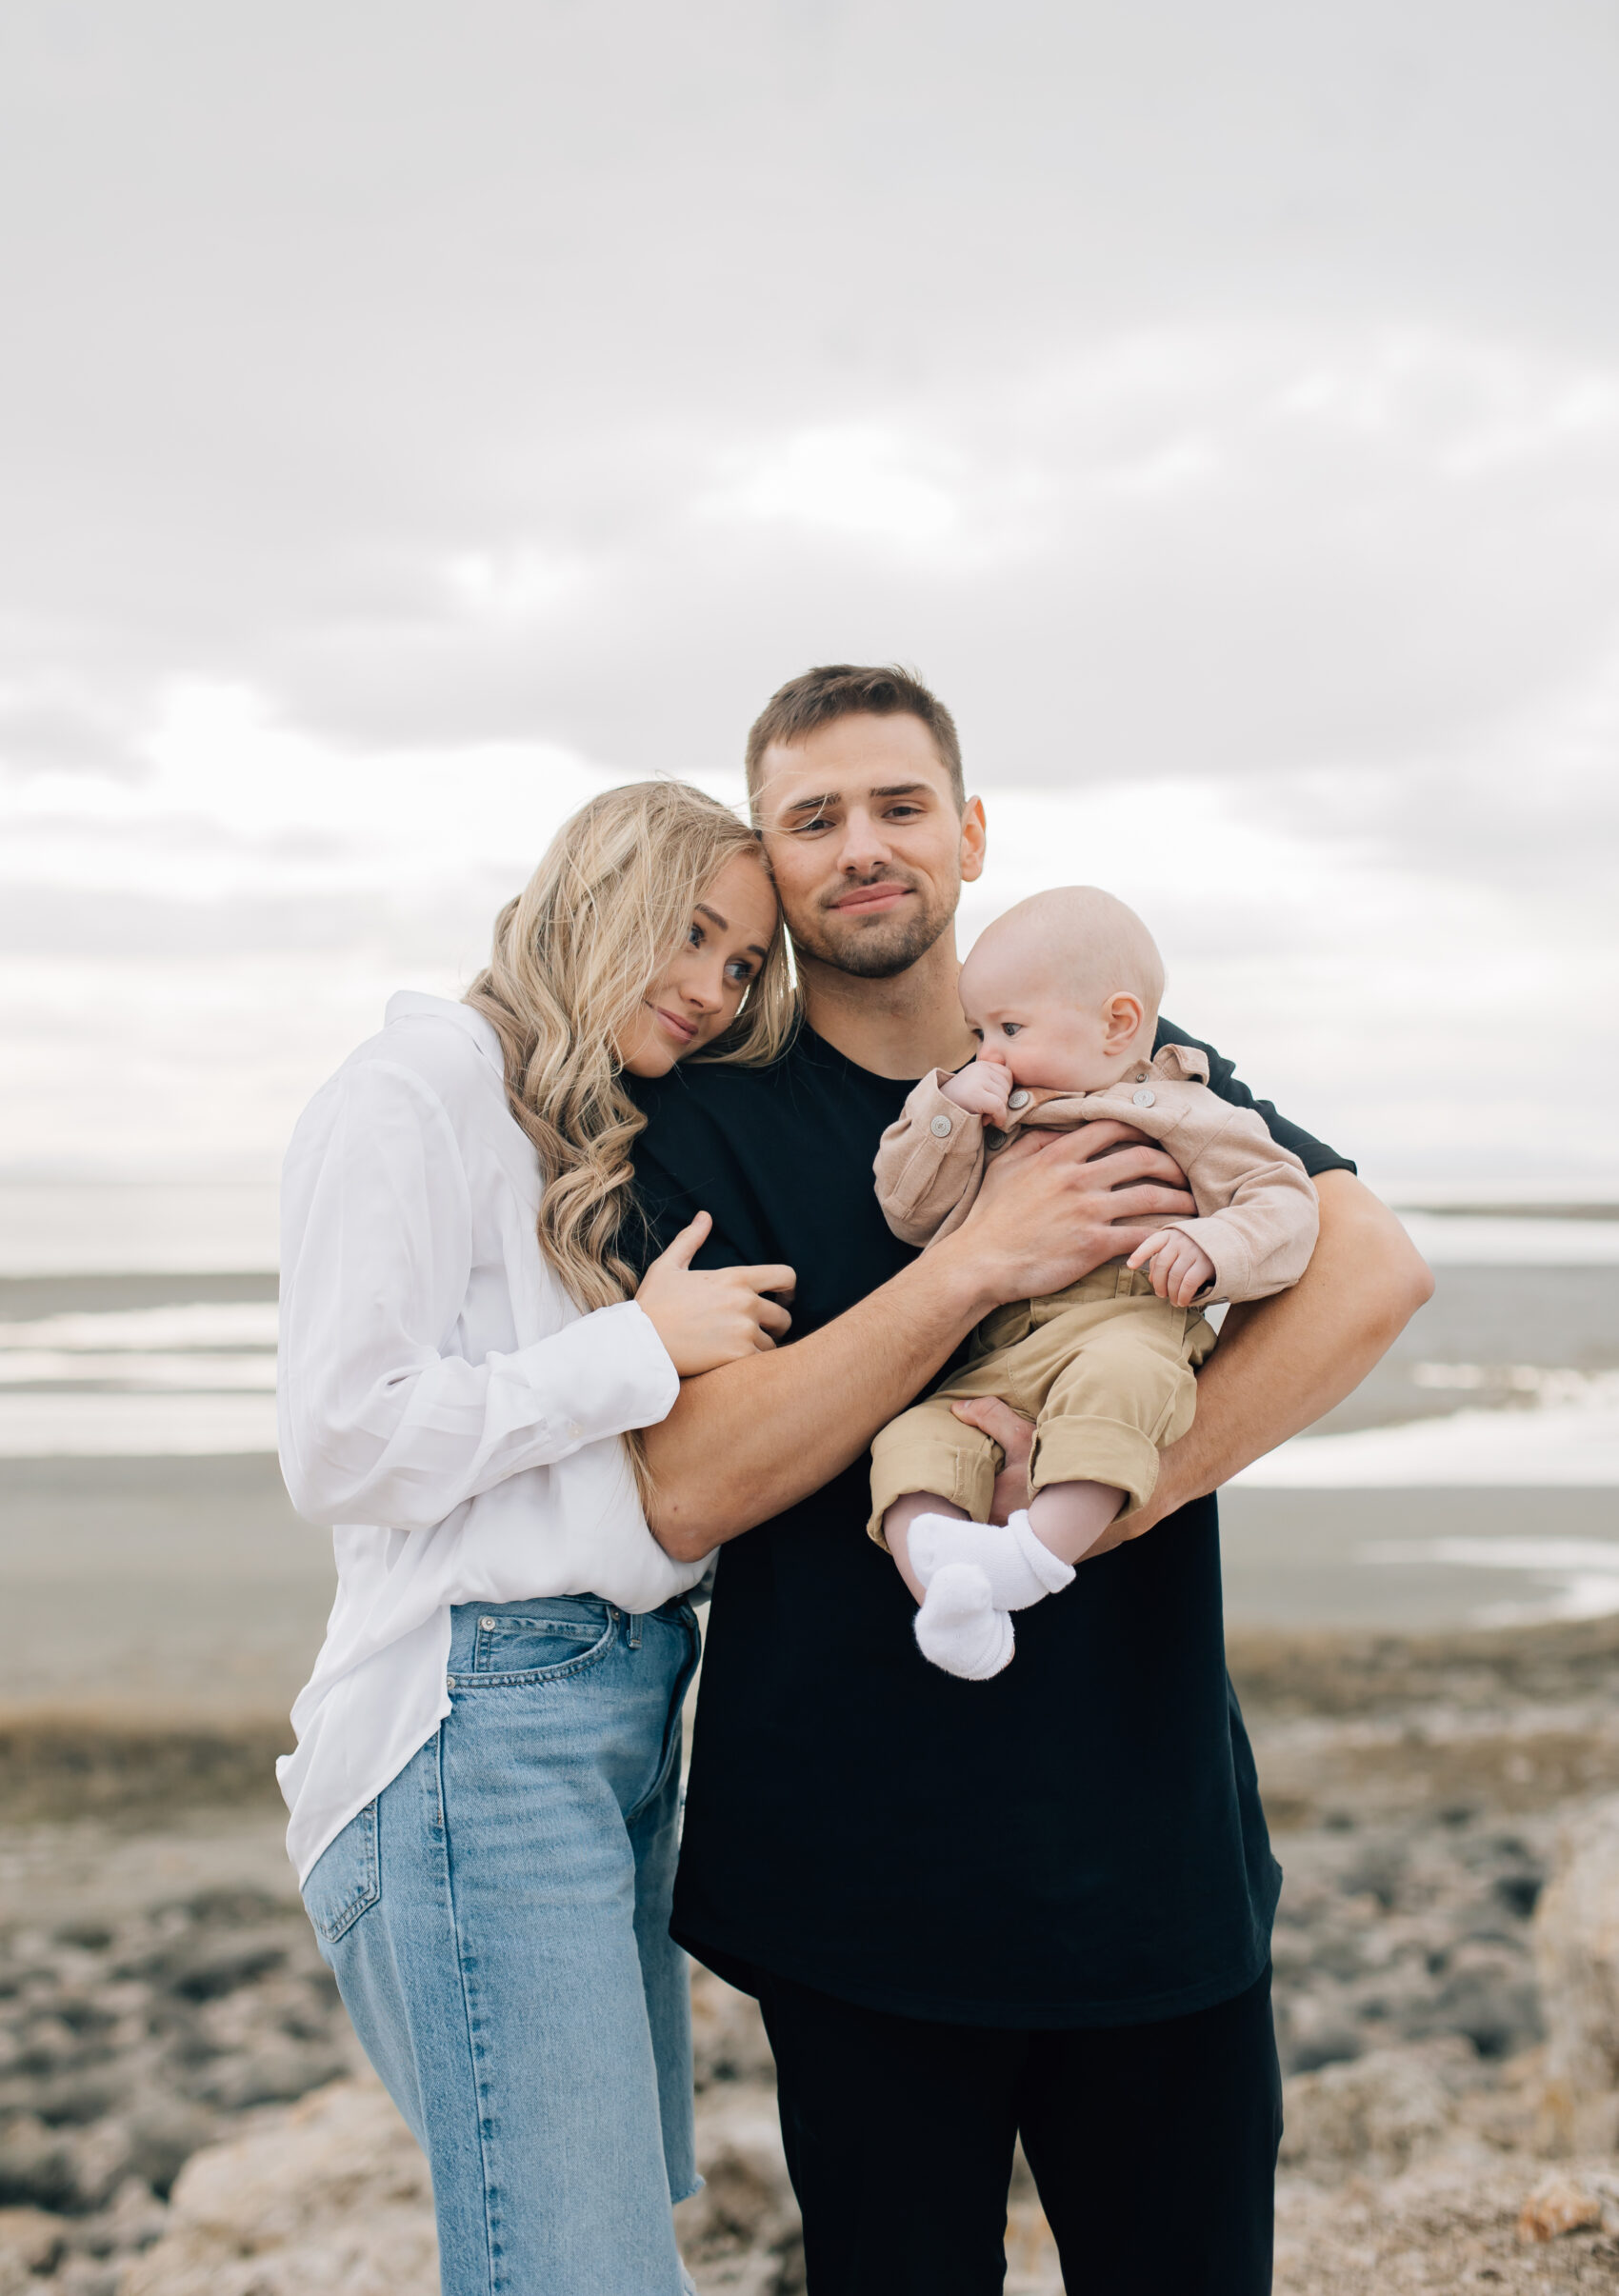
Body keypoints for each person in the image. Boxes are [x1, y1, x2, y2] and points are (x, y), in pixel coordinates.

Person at [628, 665, 1433, 2296]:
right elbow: (687, 1487)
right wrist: (973, 1265)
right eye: (813, 817)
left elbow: (1371, 1273)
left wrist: (1081, 1506)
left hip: (1154, 1862)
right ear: (771, 861)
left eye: (900, 805)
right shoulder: (706, 1122)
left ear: (969, 830)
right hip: (853, 1887)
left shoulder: (1135, 1059)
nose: (862, 846)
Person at [276, 781, 800, 2296]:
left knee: (607, 2252)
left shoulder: (554, 1123)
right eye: (690, 935)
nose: (712, 986)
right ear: (590, 899)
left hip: (600, 1723)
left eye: (743, 962)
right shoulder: (409, 1089)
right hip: (468, 1731)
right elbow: (342, 1438)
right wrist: (637, 1349)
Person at [869, 883, 1319, 1681]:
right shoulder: (986, 1110)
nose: (989, 1054)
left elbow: (1285, 1200)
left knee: (1121, 1385)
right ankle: (946, 1590)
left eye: (1009, 1028)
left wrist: (1213, 1243)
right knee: (912, 1440)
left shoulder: (1187, 1112)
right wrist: (945, 1113)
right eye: (977, 1032)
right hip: (1001, 1352)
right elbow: (909, 1211)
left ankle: (1032, 1558)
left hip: (1128, 1324)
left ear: (1116, 1024)